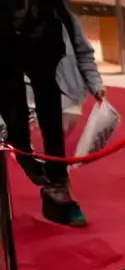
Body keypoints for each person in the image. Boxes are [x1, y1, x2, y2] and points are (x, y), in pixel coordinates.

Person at [0, 0, 105, 226]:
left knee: (54, 123)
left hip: (46, 70)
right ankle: (29, 162)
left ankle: (58, 191)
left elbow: (81, 49)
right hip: (8, 70)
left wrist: (95, 85)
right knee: (14, 128)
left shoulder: (55, 12)